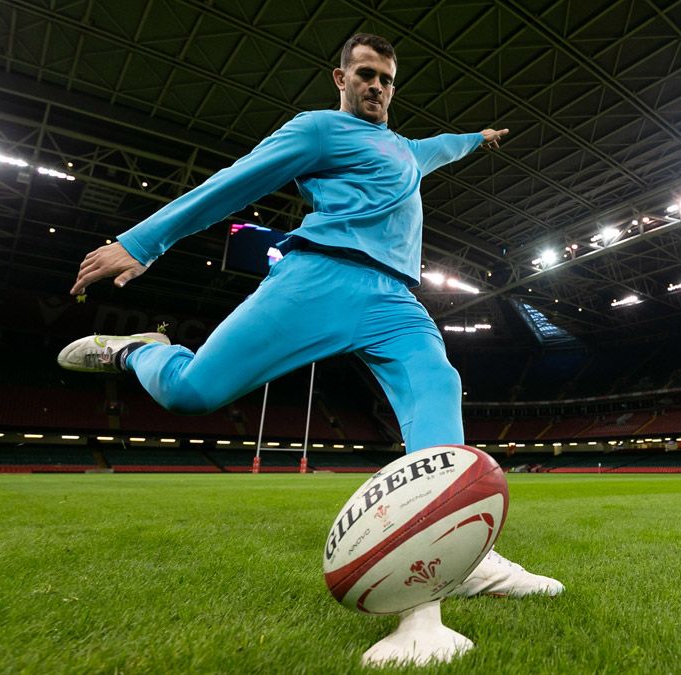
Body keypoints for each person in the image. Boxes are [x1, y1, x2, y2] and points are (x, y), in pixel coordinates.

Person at [56, 33, 561, 666]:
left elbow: (443, 147)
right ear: (341, 79)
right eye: (367, 74)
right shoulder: (320, 130)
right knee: (192, 393)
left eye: (387, 79)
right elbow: (234, 183)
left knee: (437, 381)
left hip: (393, 300)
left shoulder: (408, 150)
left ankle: (452, 576)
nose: (377, 86)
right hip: (318, 279)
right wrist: (143, 242)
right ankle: (139, 350)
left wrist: (479, 139)